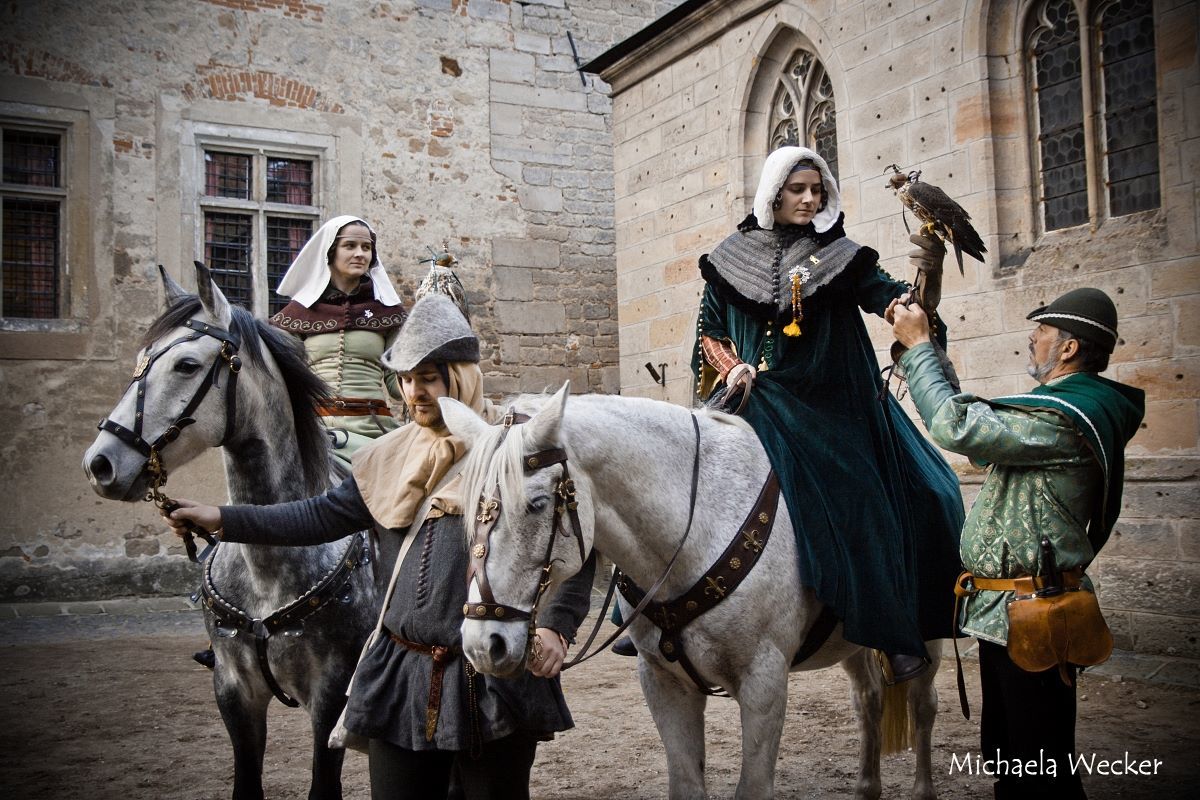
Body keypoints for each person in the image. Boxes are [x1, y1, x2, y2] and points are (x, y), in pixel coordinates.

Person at [165, 293, 595, 800]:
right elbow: (320, 516)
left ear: (461, 376)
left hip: (489, 675)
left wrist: (555, 626)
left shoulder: (515, 448)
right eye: (406, 380)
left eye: (428, 378)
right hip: (401, 672)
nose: (415, 392)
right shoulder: (386, 455)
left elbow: (576, 544)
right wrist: (223, 519)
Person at [686, 145, 965, 682]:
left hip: (833, 408)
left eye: (817, 189)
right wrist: (733, 366)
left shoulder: (842, 257)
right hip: (753, 397)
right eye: (798, 189)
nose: (810, 199)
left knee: (914, 492)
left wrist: (923, 281)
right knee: (683, 472)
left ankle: (895, 628)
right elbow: (710, 333)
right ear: (774, 192)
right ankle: (642, 616)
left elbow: (894, 301)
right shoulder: (728, 257)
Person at [893, 287, 1144, 799]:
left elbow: (957, 425)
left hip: (1038, 610)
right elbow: (985, 443)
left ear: (1069, 348)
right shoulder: (1054, 410)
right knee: (1011, 758)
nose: (1033, 339)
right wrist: (930, 352)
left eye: (1043, 331)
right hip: (1006, 609)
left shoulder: (1067, 417)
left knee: (1039, 766)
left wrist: (920, 349)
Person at [271, 215, 408, 468]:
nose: (360, 254)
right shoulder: (297, 314)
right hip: (312, 430)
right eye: (350, 246)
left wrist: (429, 377)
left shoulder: (388, 312)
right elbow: (281, 379)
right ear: (330, 252)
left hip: (372, 428)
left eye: (366, 248)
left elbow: (395, 381)